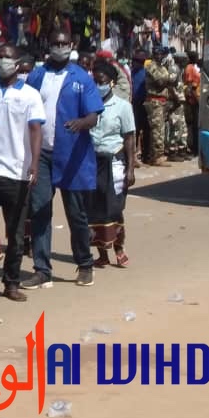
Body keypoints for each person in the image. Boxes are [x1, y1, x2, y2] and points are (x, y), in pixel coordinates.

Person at [21, 30, 104, 290]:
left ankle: (85, 264)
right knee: (40, 210)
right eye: (55, 43)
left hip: (72, 156)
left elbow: (94, 115)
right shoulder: (37, 75)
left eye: (64, 43)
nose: (59, 47)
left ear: (72, 45)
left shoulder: (81, 77)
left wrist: (81, 123)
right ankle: (42, 269)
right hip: (42, 155)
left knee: (76, 213)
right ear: (49, 45)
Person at [0, 44, 44, 302]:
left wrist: (34, 164)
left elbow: (36, 131)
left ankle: (11, 282)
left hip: (17, 172)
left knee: (15, 232)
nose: (1, 61)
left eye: (7, 57)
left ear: (17, 63)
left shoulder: (30, 95)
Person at [88, 61, 136, 269]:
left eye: (103, 81)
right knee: (93, 208)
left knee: (114, 208)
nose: (99, 85)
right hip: (92, 162)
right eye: (96, 81)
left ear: (112, 83)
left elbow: (129, 138)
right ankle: (101, 253)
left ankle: (119, 249)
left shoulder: (122, 107)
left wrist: (131, 169)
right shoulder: (87, 105)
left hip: (114, 162)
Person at [144, 46, 176, 166]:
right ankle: (156, 157)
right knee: (157, 130)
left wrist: (168, 78)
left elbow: (169, 79)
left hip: (161, 101)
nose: (159, 56)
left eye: (161, 54)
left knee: (160, 129)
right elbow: (160, 81)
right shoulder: (151, 66)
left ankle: (158, 155)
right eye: (157, 54)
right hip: (154, 101)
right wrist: (170, 77)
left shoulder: (161, 66)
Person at [183, 50, 201, 155]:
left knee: (195, 124)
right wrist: (197, 100)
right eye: (196, 56)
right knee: (194, 124)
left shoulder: (192, 67)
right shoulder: (190, 68)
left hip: (195, 99)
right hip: (193, 101)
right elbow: (191, 86)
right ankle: (194, 148)